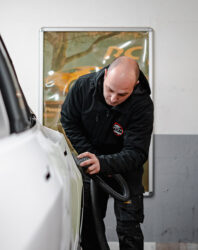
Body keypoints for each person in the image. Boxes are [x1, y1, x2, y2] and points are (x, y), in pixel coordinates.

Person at [60, 56, 153, 250]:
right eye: (110, 90)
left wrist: (104, 163)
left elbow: (137, 152)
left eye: (122, 95)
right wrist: (92, 157)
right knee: (89, 226)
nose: (113, 98)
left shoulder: (142, 105)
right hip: (90, 168)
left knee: (130, 228)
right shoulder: (82, 88)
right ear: (105, 74)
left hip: (126, 171)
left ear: (135, 86)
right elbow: (68, 120)